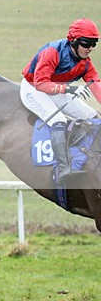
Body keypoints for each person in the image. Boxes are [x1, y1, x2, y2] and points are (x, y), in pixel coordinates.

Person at [21, 18, 101, 182]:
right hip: (33, 89)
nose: (90, 49)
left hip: (57, 89)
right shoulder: (52, 52)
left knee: (92, 116)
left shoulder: (85, 63)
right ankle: (63, 169)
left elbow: (96, 85)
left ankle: (87, 157)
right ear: (74, 41)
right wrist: (68, 89)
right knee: (58, 121)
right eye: (86, 44)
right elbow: (41, 83)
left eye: (94, 44)